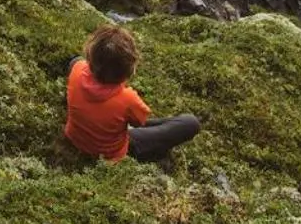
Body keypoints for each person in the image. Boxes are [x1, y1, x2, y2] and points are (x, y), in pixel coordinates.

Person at [63, 24, 200, 163]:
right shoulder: (127, 99)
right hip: (110, 154)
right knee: (190, 123)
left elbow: (78, 63)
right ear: (129, 69)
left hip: (74, 138)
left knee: (74, 60)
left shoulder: (77, 69)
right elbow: (140, 122)